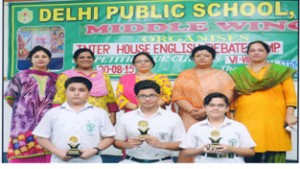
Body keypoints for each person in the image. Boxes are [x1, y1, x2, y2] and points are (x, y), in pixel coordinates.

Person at [229, 40, 297, 163]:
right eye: (252, 50)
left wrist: (290, 114)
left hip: (275, 117)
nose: (256, 53)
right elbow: (232, 96)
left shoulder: (280, 71)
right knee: (248, 149)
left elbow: (290, 95)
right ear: (247, 54)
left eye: (260, 50)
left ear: (267, 53)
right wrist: (231, 115)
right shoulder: (237, 73)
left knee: (275, 148)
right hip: (245, 117)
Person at [172, 45, 235, 162]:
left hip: (216, 115)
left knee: (215, 141)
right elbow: (177, 96)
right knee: (188, 144)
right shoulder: (184, 75)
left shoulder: (222, 75)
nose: (202, 58)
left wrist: (207, 111)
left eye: (206, 55)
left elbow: (227, 96)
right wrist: (192, 110)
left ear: (213, 58)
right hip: (189, 116)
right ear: (193, 58)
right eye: (198, 55)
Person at [33, 77, 116, 163]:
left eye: (82, 90)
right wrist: (57, 152)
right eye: (72, 90)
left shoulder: (100, 113)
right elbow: (41, 137)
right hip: (59, 162)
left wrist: (95, 150)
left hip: (91, 161)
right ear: (65, 92)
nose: (76, 93)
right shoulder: (53, 113)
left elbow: (109, 137)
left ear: (89, 93)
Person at [4, 46, 58, 163]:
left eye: (44, 56)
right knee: (23, 148)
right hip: (23, 121)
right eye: (36, 56)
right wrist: (23, 109)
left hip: (48, 118)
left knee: (47, 148)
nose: (40, 59)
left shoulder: (56, 78)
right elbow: (10, 97)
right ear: (31, 59)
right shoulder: (21, 75)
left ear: (49, 59)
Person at [114, 80, 186, 163]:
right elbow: (116, 142)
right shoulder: (126, 117)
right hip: (131, 162)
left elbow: (182, 144)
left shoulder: (173, 117)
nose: (147, 99)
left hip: (162, 162)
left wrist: (161, 144)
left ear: (159, 96)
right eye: (142, 96)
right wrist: (126, 145)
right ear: (136, 97)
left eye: (152, 95)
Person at [179, 92, 256, 163]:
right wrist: (201, 150)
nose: (216, 108)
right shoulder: (196, 127)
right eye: (211, 105)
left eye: (220, 105)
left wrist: (231, 149)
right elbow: (185, 152)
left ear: (227, 108)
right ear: (205, 107)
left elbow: (251, 152)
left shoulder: (238, 127)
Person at [53, 48, 119, 125]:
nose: (86, 59)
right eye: (82, 57)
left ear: (93, 60)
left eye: (89, 57)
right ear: (75, 60)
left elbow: (110, 96)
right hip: (73, 116)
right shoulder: (66, 76)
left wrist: (113, 115)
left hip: (99, 117)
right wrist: (55, 115)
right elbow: (59, 97)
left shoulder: (103, 75)